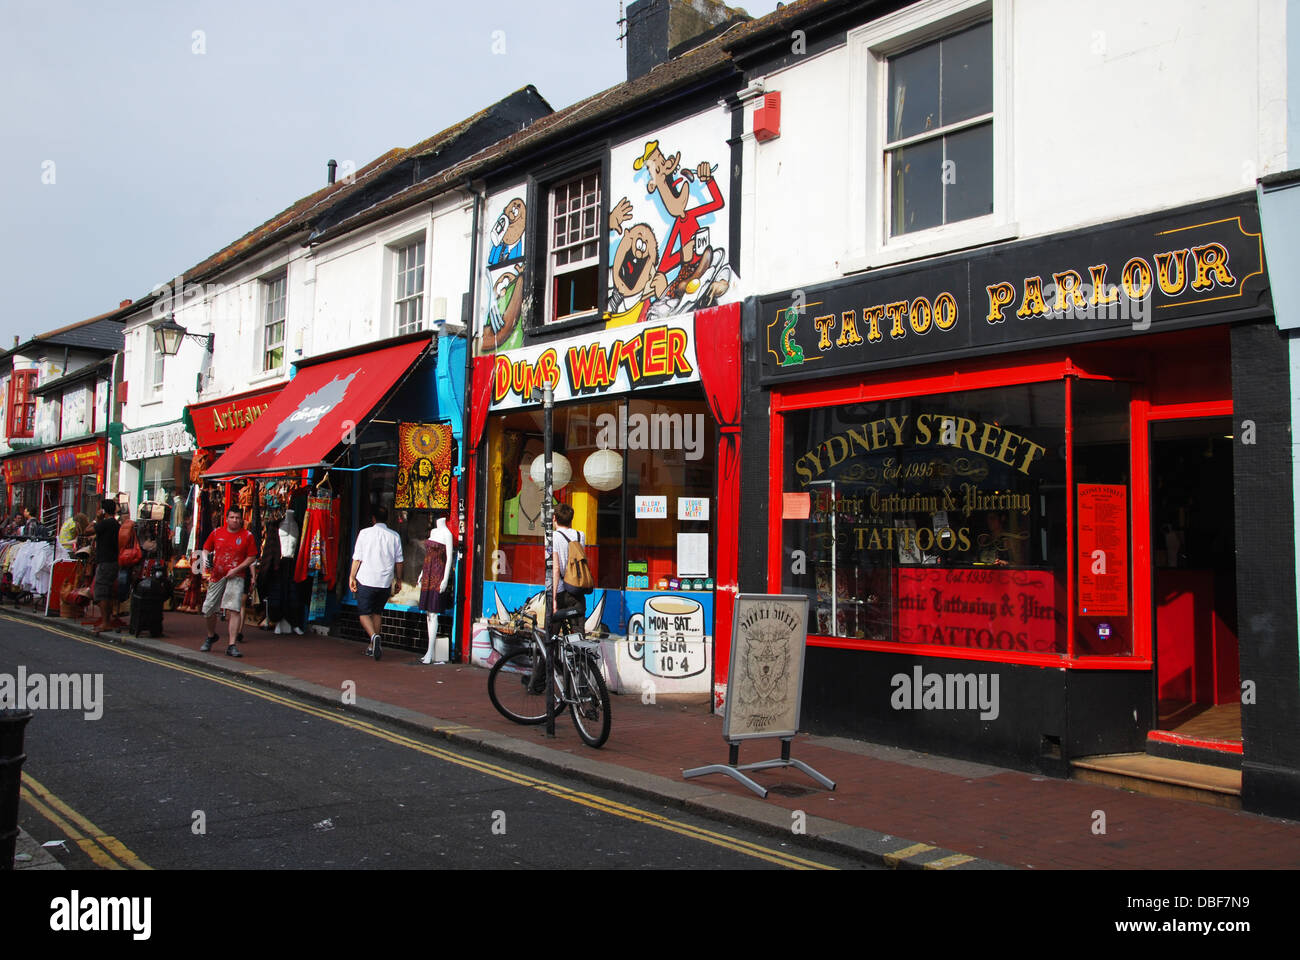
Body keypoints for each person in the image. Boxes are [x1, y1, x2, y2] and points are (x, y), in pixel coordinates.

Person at [199, 507, 259, 658]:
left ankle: (232, 644)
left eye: (237, 518)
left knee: (235, 609)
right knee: (208, 609)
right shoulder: (217, 532)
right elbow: (205, 549)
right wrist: (206, 559)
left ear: (242, 519)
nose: (235, 520)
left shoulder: (247, 536)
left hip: (236, 575)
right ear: (227, 519)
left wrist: (238, 569)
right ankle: (211, 635)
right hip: (217, 575)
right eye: (232, 517)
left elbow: (251, 557)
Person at [349, 505, 403, 660]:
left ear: (373, 518)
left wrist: (352, 576)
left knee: (363, 614)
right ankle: (373, 647)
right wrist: (399, 580)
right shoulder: (394, 536)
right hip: (384, 581)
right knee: (377, 613)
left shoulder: (364, 533)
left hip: (366, 579)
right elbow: (399, 561)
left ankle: (373, 637)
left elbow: (357, 558)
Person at [550, 502, 588, 629]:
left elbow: (555, 569)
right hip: (576, 589)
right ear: (571, 519)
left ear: (554, 518)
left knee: (552, 634)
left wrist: (553, 597)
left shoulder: (553, 537)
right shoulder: (580, 535)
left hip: (560, 590)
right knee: (578, 635)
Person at [91, 500, 120, 636]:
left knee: (101, 591)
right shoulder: (115, 524)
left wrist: (97, 518)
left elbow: (87, 530)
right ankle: (107, 621)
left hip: (106, 562)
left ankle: (105, 622)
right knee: (107, 592)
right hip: (113, 561)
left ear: (103, 510)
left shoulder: (105, 523)